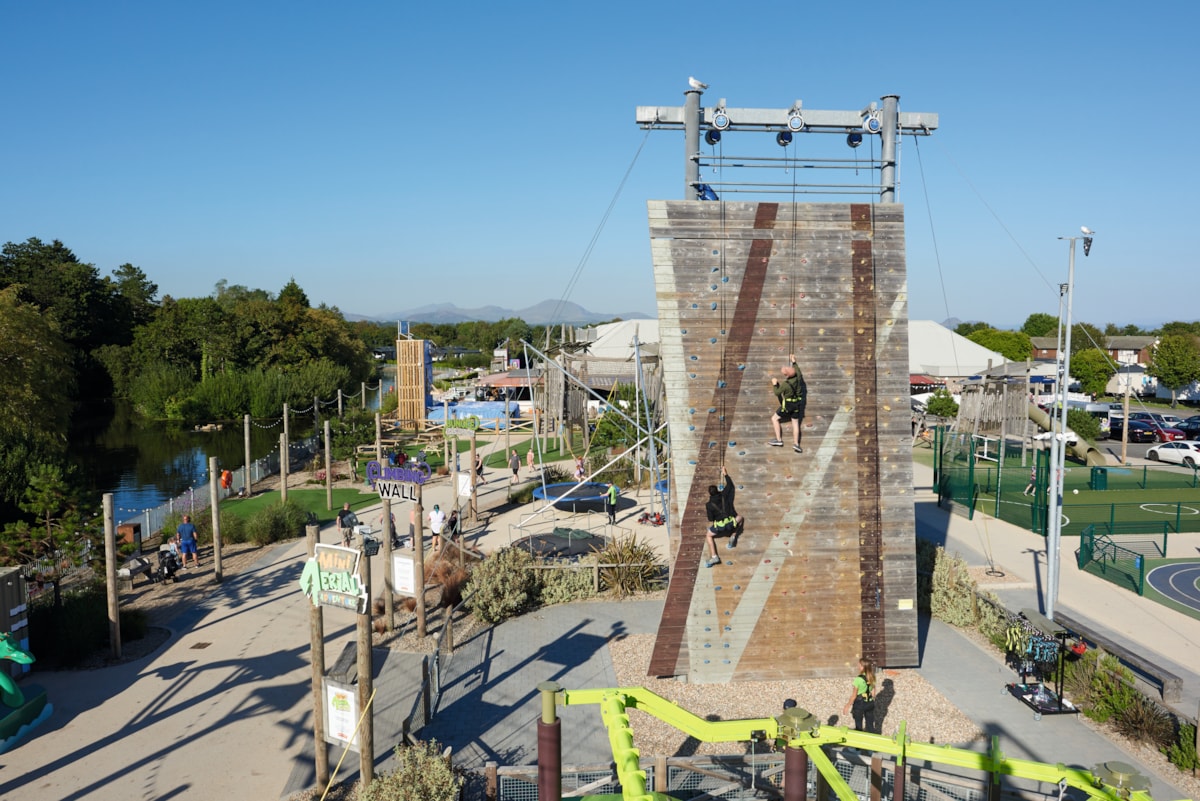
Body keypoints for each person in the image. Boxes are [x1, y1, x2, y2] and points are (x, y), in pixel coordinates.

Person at [704, 465, 744, 568]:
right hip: (731, 523)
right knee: (740, 518)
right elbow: (730, 485)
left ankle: (714, 556)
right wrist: (725, 473)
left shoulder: (709, 505)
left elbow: (710, 519)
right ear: (717, 490)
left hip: (720, 527)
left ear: (710, 494)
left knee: (708, 536)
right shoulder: (724, 495)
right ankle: (733, 535)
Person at [769, 353, 805, 453]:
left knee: (774, 418)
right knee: (795, 423)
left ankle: (779, 440)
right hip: (797, 404)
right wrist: (793, 361)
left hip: (788, 405)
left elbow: (777, 393)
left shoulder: (785, 384)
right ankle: (796, 444)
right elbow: (797, 369)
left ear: (786, 375)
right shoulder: (798, 376)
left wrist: (774, 384)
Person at [842, 657, 877, 733]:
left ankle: (860, 740)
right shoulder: (872, 677)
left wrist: (847, 706)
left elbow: (854, 695)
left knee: (858, 726)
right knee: (870, 724)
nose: (858, 666)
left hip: (860, 704)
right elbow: (874, 692)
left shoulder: (858, 680)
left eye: (859, 665)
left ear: (862, 667)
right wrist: (872, 699)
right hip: (870, 703)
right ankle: (873, 739)